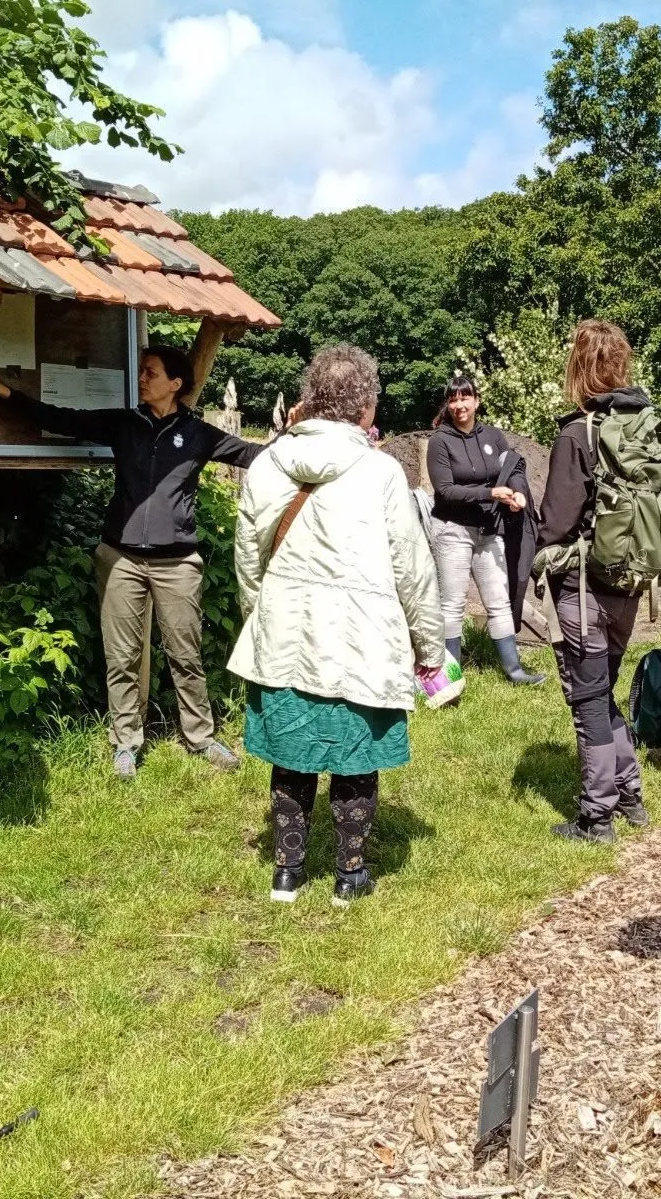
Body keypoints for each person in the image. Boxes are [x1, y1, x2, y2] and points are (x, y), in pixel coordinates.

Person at [0, 349, 262, 778]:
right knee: (122, 656)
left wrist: (305, 438)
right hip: (119, 559)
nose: (142, 378)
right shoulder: (124, 423)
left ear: (176, 384)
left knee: (185, 652)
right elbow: (59, 417)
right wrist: (4, 391)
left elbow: (255, 455)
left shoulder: (198, 434)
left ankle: (201, 737)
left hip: (177, 563)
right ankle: (126, 743)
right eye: (142, 370)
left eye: (151, 373)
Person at [228, 345, 443, 906]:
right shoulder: (382, 473)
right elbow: (412, 568)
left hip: (284, 634)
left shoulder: (269, 463)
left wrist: (262, 616)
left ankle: (288, 873)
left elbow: (248, 556)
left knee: (292, 754)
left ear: (312, 398)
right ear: (365, 406)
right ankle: (349, 876)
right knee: (355, 758)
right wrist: (429, 646)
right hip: (361, 641)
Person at [536, 319, 657, 844]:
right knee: (602, 688)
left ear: (578, 367)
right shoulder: (648, 425)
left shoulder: (577, 433)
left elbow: (557, 521)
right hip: (630, 583)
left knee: (587, 701)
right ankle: (630, 793)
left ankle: (596, 816)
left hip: (583, 587)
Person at [425, 374, 543, 685]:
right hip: (452, 529)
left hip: (490, 529)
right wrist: (489, 493)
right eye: (453, 399)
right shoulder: (440, 441)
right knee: (452, 604)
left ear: (477, 401)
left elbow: (513, 469)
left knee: (498, 601)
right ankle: (450, 676)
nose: (459, 404)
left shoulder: (493, 436)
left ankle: (514, 671)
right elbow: (445, 491)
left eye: (465, 398)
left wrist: (517, 493)